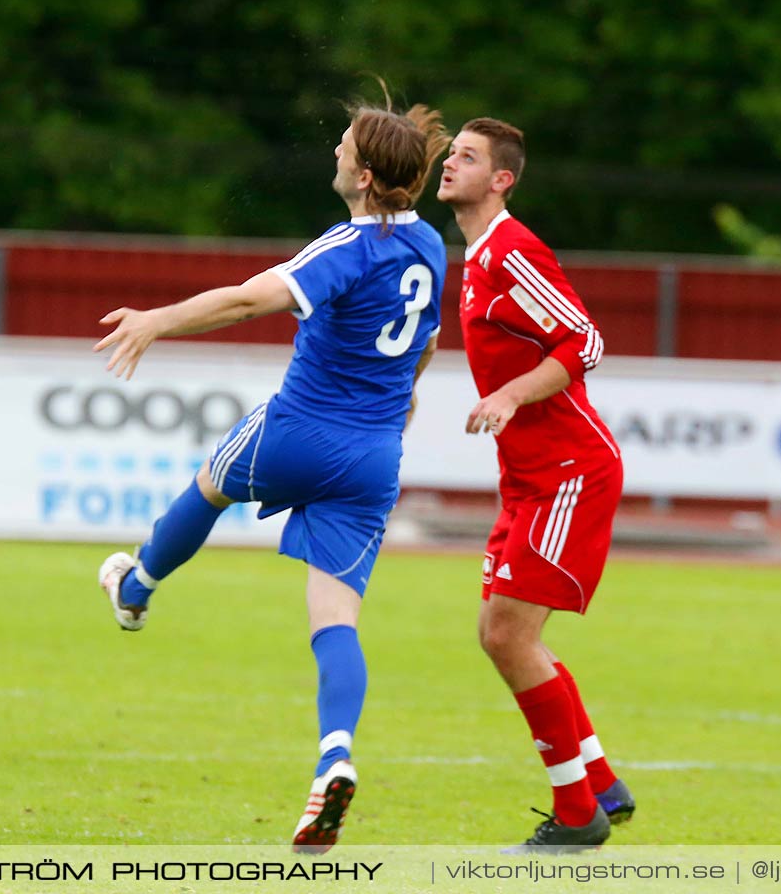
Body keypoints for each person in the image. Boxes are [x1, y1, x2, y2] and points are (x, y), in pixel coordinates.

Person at [93, 100, 449, 852]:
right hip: (376, 454)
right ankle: (335, 757)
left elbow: (251, 300)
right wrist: (406, 397)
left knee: (211, 485)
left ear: (362, 172)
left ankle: (136, 589)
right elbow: (428, 340)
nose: (335, 149)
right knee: (335, 620)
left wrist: (157, 319)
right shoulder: (429, 247)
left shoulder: (349, 244)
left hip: (303, 429)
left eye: (344, 143)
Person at [435, 117, 633, 851]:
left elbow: (586, 339)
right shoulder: (480, 254)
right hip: (527, 478)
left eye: (467, 156)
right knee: (507, 635)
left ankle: (579, 815)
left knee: (506, 634)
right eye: (450, 151)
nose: (449, 163)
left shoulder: (512, 251)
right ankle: (600, 783)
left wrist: (513, 394)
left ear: (502, 179)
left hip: (568, 473)